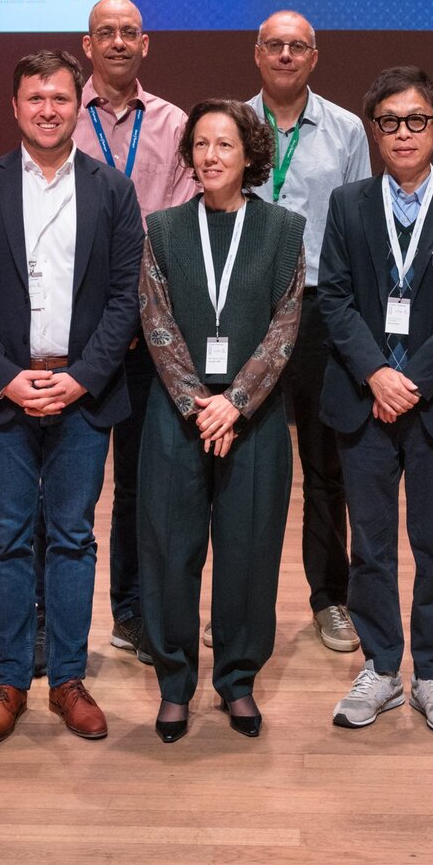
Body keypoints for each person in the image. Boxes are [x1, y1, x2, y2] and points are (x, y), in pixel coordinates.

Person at [0, 51, 143, 745]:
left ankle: (66, 680)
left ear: (77, 106)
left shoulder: (113, 190)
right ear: (16, 106)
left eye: (60, 98)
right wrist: (6, 376)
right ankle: (8, 681)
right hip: (2, 395)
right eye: (36, 98)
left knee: (73, 537)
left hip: (82, 395)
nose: (48, 110)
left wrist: (82, 376)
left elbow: (125, 298)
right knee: (6, 538)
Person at [319, 67, 433, 735]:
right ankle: (382, 668)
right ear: (374, 130)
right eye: (389, 121)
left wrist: (409, 380)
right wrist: (376, 374)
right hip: (364, 400)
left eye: (416, 120)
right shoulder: (349, 204)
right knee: (370, 547)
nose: (403, 133)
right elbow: (334, 297)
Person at [137, 100, 306, 742]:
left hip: (254, 417)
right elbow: (155, 320)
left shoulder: (283, 229)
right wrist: (197, 402)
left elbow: (286, 324)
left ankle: (237, 680)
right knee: (169, 550)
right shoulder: (163, 228)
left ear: (249, 154)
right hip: (176, 415)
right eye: (201, 144)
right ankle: (173, 684)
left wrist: (234, 402)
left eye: (225, 144)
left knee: (250, 553)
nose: (211, 156)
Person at [247, 9, 371, 653]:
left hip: (321, 309)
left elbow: (359, 226)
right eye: (275, 45)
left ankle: (330, 599)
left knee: (327, 466)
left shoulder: (346, 129)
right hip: (247, 309)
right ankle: (240, 600)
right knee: (246, 464)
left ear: (314, 57)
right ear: (257, 53)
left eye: (298, 46)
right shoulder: (232, 125)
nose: (286, 55)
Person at [76, 0, 194, 665]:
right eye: (106, 32)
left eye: (129, 31)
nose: (118, 41)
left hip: (150, 332)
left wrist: (132, 307)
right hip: (79, 334)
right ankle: (57, 620)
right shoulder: (61, 117)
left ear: (145, 44)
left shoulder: (176, 124)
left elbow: (173, 226)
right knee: (73, 486)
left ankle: (134, 613)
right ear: (87, 45)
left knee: (143, 484)